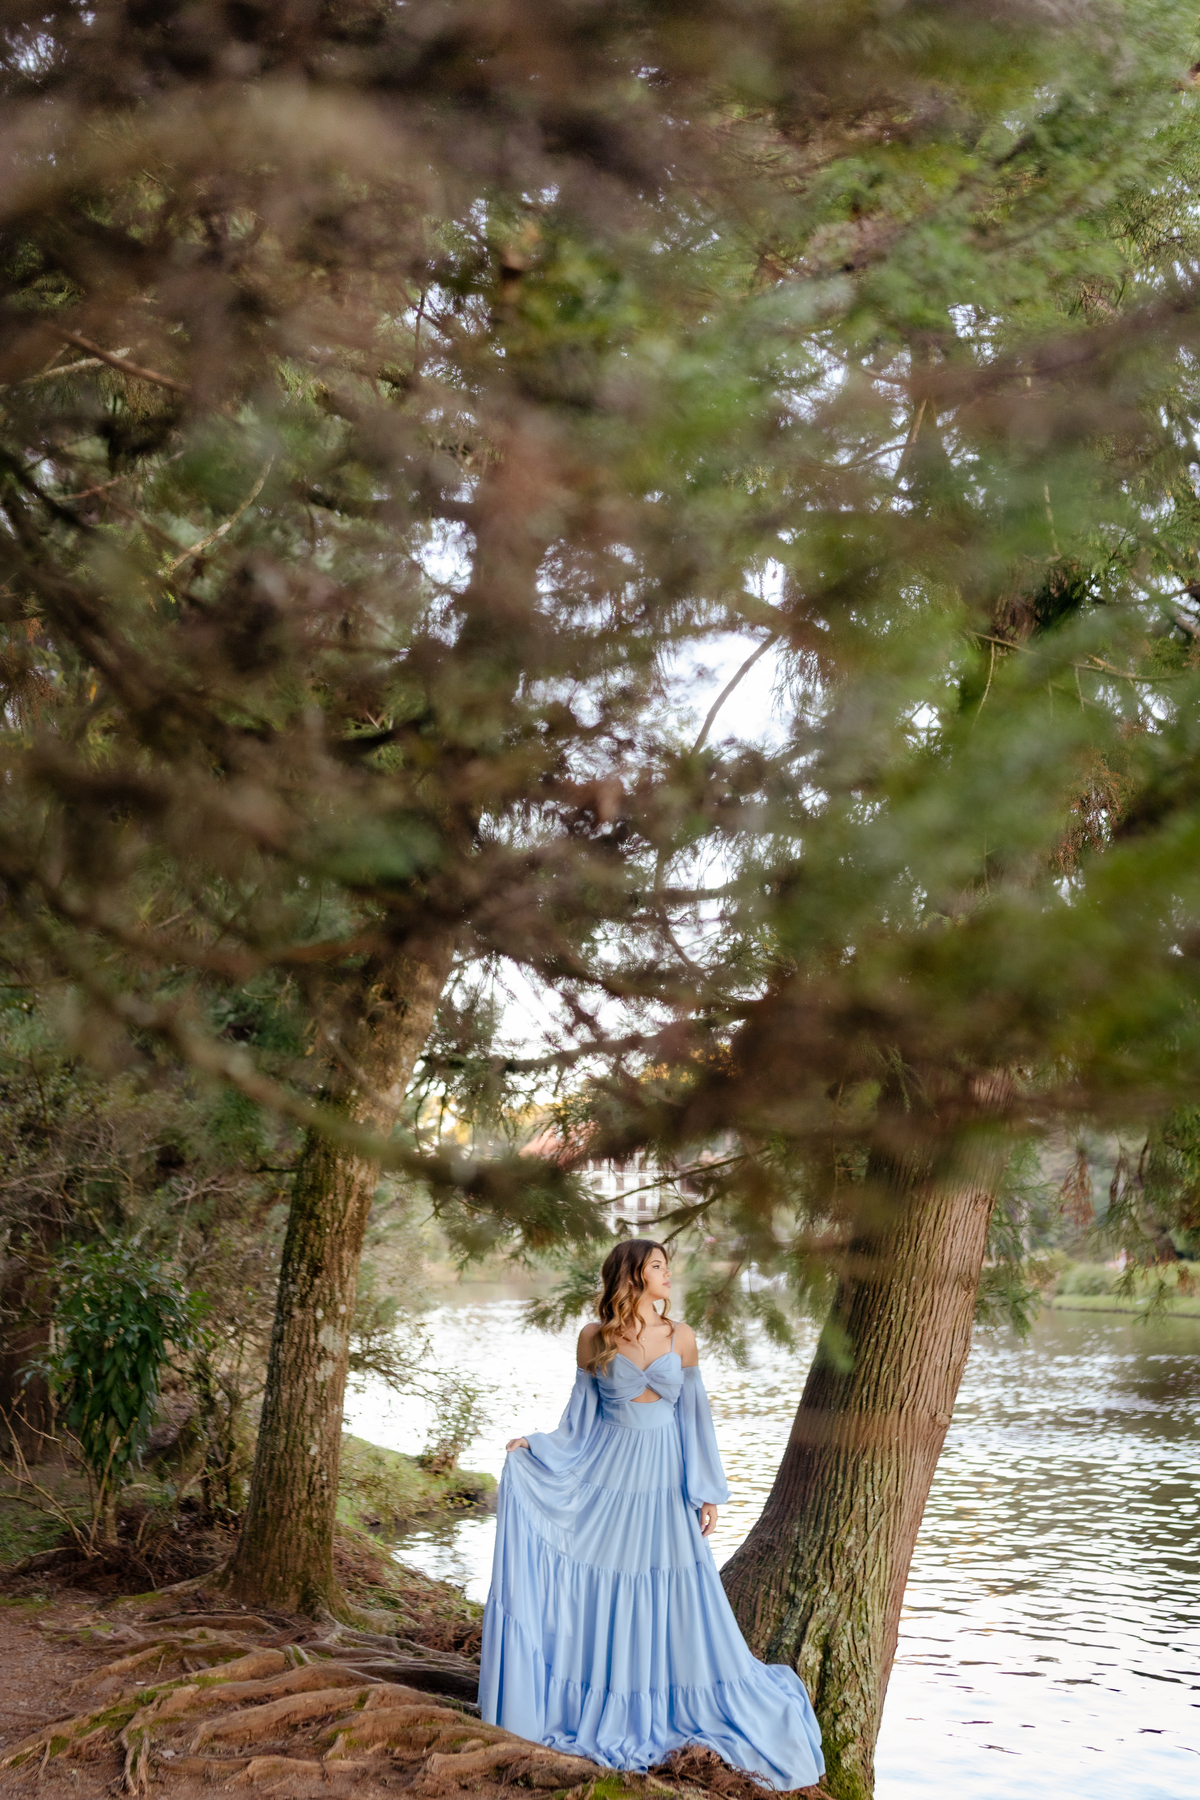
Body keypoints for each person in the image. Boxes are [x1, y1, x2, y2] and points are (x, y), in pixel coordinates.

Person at [478, 1238, 826, 1789]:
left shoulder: (680, 1336)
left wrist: (706, 1491)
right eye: (658, 1266)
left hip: (664, 1484)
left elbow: (695, 1418)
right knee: (611, 1587)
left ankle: (669, 1699)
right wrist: (536, 1448)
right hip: (610, 1480)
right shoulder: (594, 1338)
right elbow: (579, 1422)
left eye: (666, 1265)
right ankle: (606, 1702)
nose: (668, 1274)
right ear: (632, 1276)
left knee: (671, 1587)